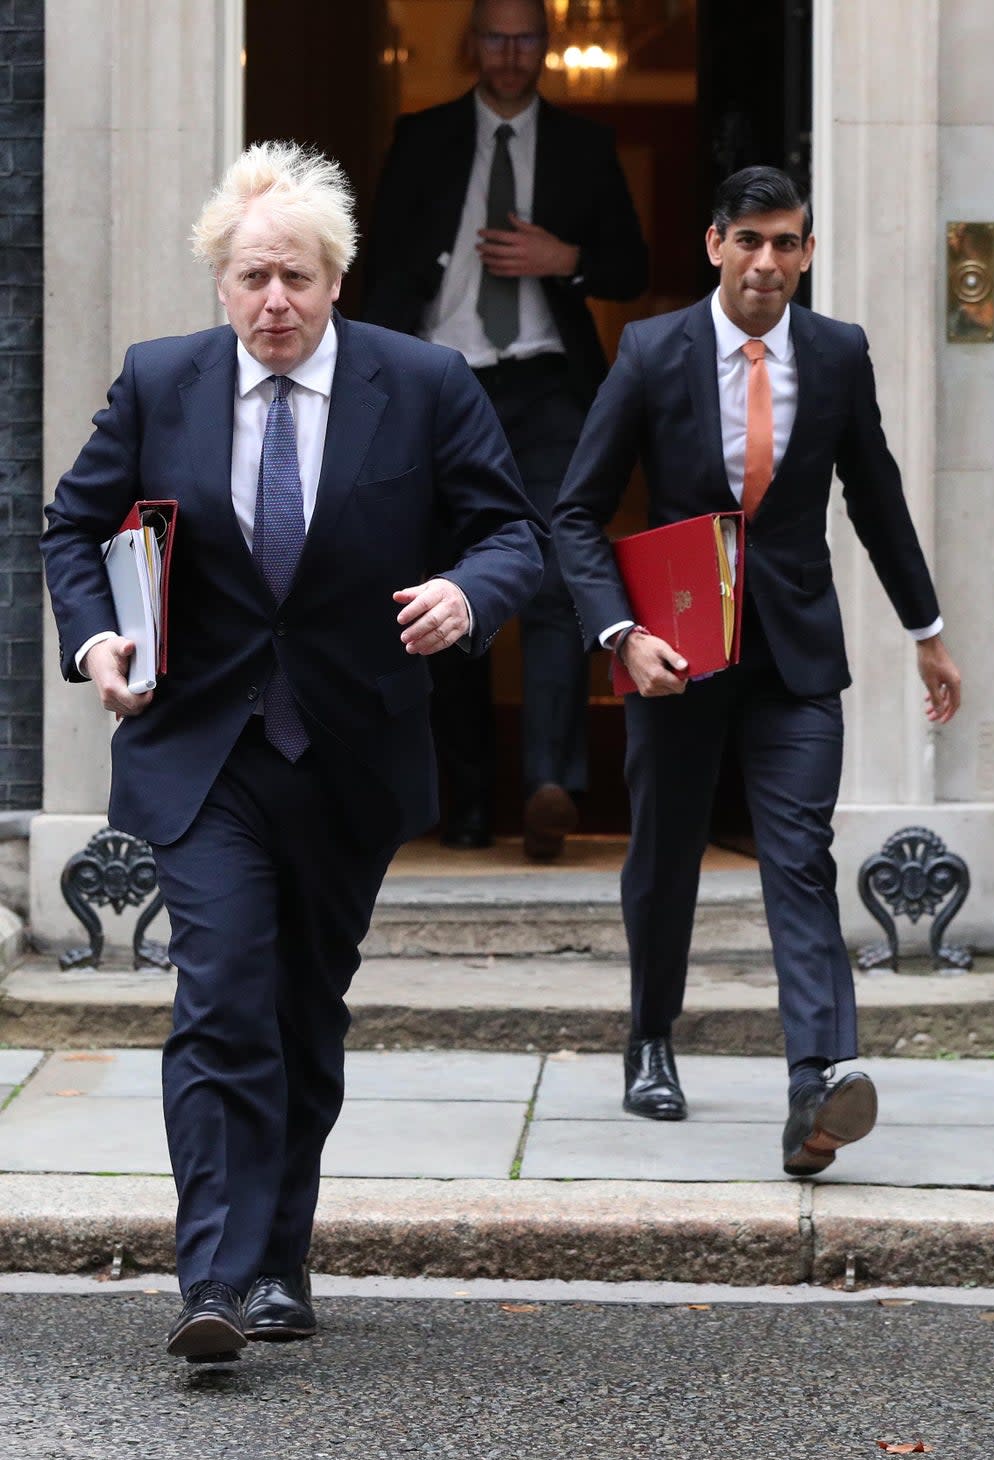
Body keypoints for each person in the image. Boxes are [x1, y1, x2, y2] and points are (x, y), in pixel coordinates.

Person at [41, 141, 545, 1361]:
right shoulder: (162, 384)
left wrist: (466, 597)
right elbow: (75, 522)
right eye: (255, 276)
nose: (277, 301)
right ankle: (211, 1278)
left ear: (337, 283)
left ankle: (279, 1258)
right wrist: (96, 639)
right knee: (221, 996)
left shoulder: (419, 383)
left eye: (300, 279)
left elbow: (510, 532)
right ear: (221, 282)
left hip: (347, 750)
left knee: (304, 1008)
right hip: (203, 746)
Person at [552, 166, 962, 1175]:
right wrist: (620, 635)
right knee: (665, 851)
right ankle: (650, 1036)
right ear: (713, 245)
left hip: (794, 655)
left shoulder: (833, 353)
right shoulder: (651, 351)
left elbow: (875, 494)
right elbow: (574, 512)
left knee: (797, 855)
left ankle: (815, 1085)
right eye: (749, 241)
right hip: (673, 653)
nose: (767, 262)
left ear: (808, 253)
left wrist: (928, 628)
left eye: (786, 243)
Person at [362, 0, 648, 859]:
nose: (512, 53)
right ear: (472, 44)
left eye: (527, 37)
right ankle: (469, 802)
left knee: (561, 579)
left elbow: (633, 267)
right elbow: (379, 271)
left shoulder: (585, 147)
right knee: (446, 590)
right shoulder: (421, 137)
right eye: (497, 36)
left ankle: (548, 788)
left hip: (547, 385)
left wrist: (568, 260)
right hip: (442, 387)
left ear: (547, 48)